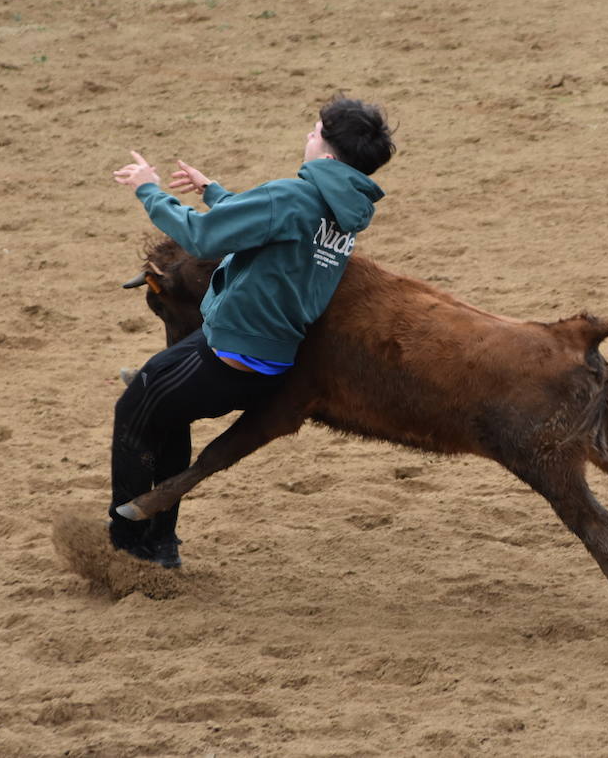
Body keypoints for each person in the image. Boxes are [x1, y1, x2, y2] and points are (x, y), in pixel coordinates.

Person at [107, 98, 396, 567]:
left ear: (326, 156)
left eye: (314, 131)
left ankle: (129, 545)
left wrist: (149, 190)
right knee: (164, 412)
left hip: (228, 356)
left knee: (134, 410)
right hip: (268, 356)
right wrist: (215, 192)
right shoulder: (344, 210)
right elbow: (282, 230)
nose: (307, 135)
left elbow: (200, 238)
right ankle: (159, 544)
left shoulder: (293, 195)